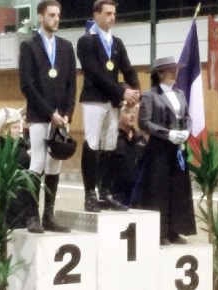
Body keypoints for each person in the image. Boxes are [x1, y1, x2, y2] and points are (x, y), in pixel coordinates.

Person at [77, 0, 141, 212]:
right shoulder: (86, 41)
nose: (112, 17)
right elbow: (94, 73)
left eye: (114, 14)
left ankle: (105, 192)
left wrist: (136, 90)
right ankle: (89, 194)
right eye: (108, 13)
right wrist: (122, 91)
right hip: (94, 99)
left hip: (113, 102)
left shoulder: (117, 43)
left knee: (110, 146)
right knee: (92, 143)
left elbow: (128, 69)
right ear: (96, 15)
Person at [19, 0, 75, 233]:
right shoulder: (29, 45)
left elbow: (72, 83)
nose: (56, 19)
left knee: (55, 165)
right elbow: (27, 84)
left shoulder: (65, 46)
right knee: (38, 162)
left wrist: (66, 114)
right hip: (40, 115)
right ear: (40, 17)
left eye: (58, 15)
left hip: (61, 117)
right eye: (51, 15)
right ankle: (32, 215)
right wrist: (49, 113)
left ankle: (49, 214)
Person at [135, 56, 196, 245]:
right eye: (170, 70)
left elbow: (187, 117)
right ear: (160, 73)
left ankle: (175, 229)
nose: (174, 73)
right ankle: (159, 231)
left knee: (177, 187)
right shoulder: (150, 95)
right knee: (158, 189)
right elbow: (144, 122)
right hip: (159, 148)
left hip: (178, 147)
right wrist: (167, 133)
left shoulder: (180, 94)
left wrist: (187, 131)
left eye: (175, 69)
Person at [0, 114, 32, 229]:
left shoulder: (24, 143)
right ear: (5, 129)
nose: (18, 130)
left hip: (23, 190)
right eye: (14, 127)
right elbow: (8, 162)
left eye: (19, 128)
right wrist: (26, 156)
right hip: (6, 189)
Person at [108, 103, 146, 207]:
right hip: (117, 194)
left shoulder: (140, 138)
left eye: (134, 112)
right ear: (117, 114)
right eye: (127, 112)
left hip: (136, 195)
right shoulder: (112, 138)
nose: (133, 115)